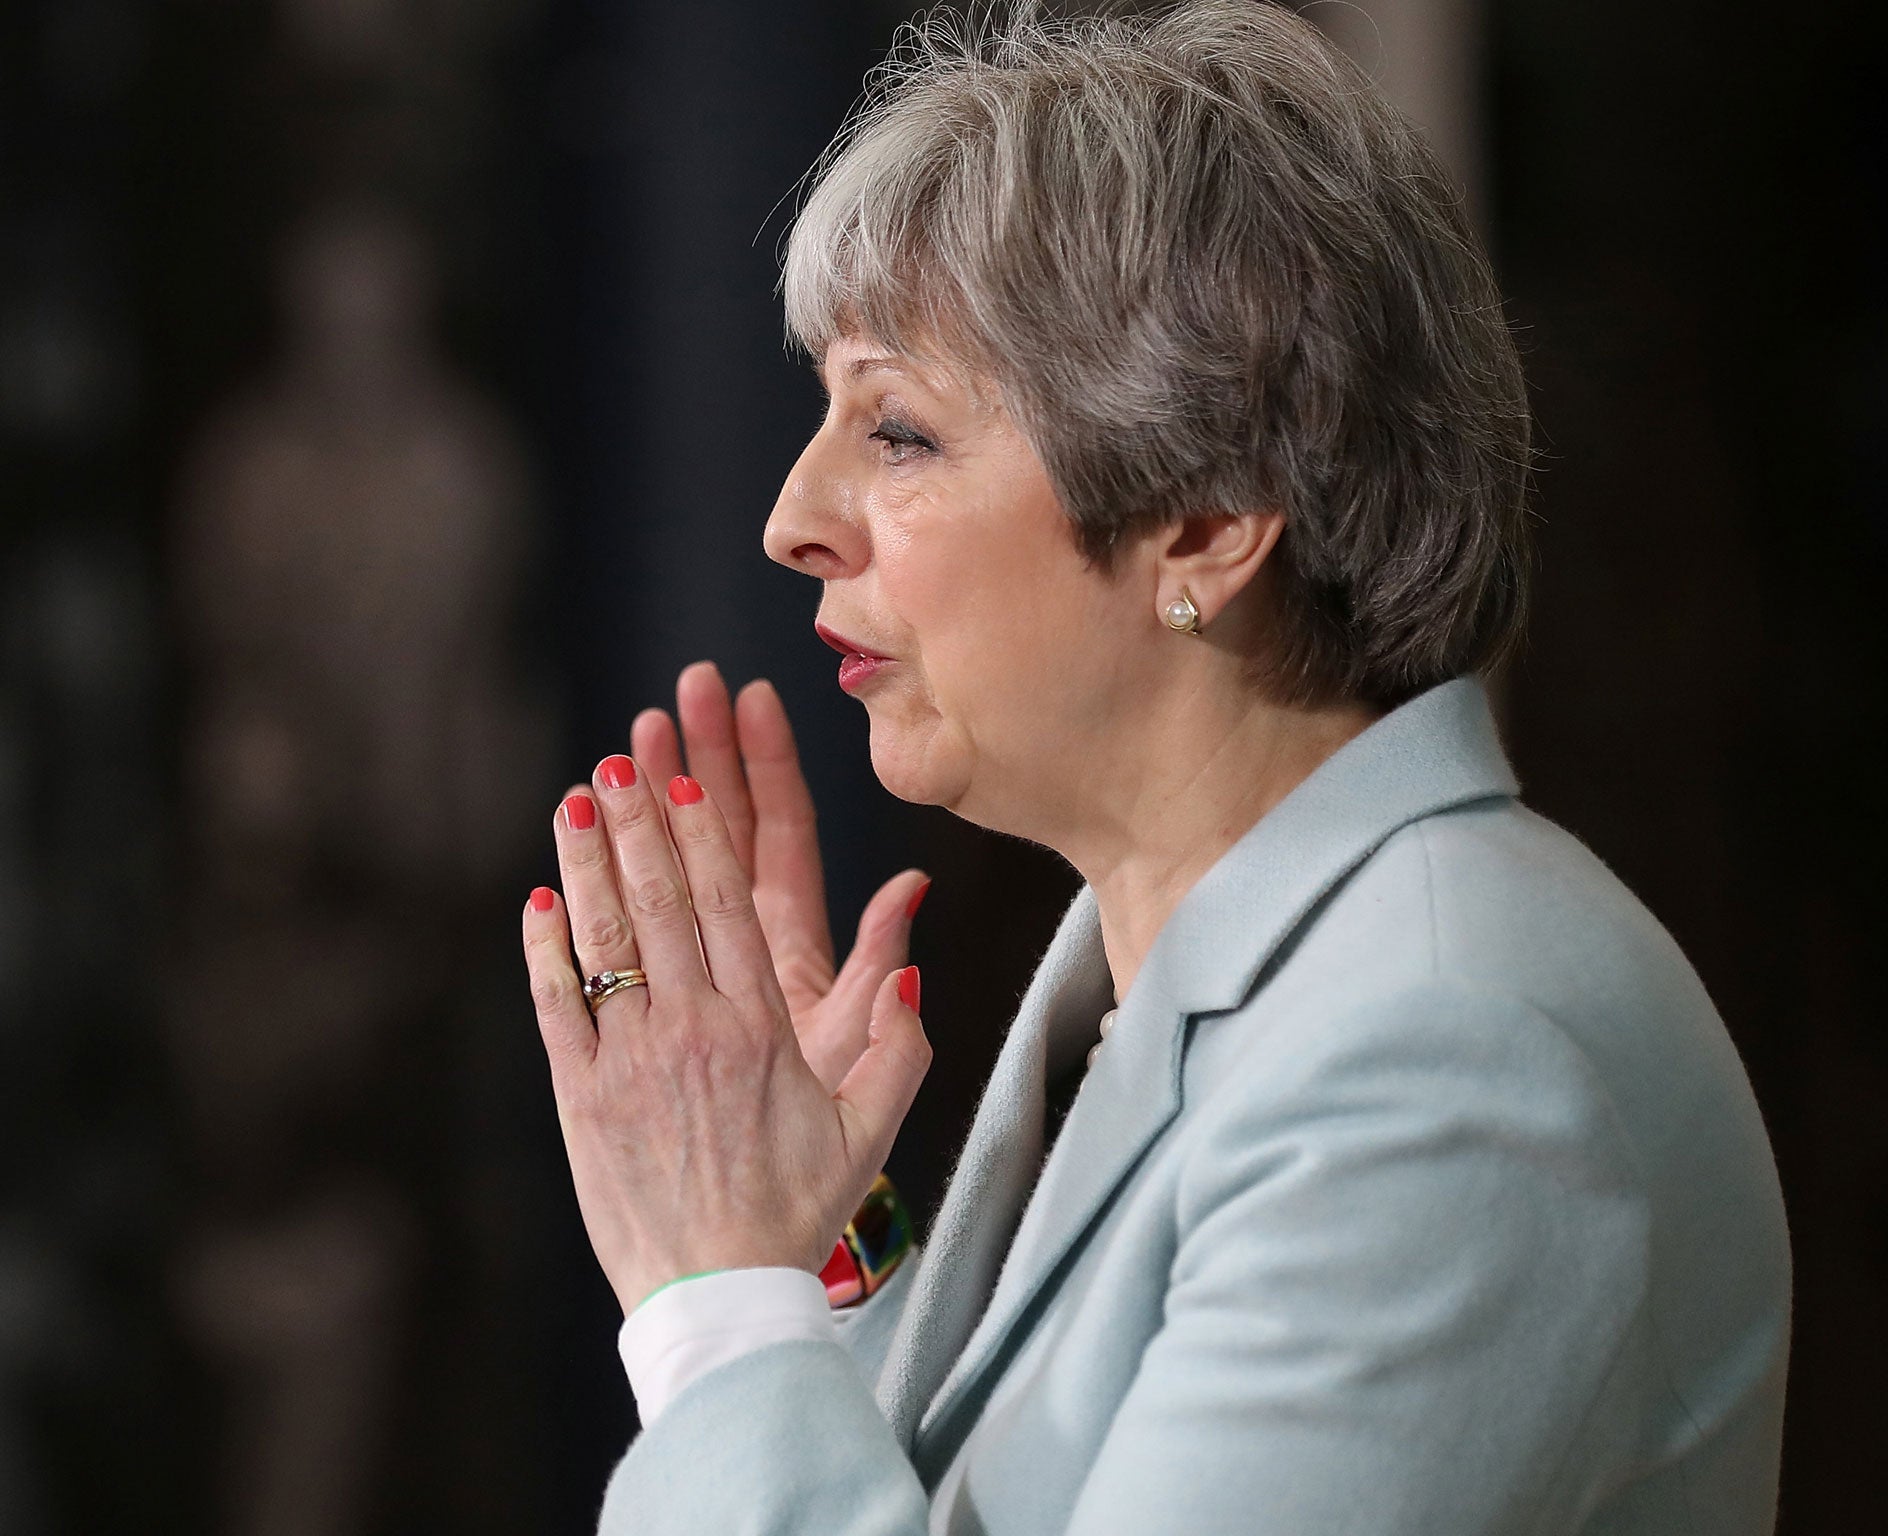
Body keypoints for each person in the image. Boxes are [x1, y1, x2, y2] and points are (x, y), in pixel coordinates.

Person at [519, 4, 1792, 1532]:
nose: (796, 515)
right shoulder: (1233, 986)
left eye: (900, 430)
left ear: (1205, 513)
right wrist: (811, 1244)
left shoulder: (1449, 1056)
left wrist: (717, 1294)